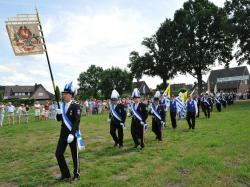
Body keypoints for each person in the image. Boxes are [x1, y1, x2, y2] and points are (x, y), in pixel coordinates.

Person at [55, 81, 82, 181]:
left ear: (71, 95)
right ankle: (65, 174)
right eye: (63, 93)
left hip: (72, 134)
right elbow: (59, 119)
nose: (63, 95)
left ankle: (76, 175)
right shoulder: (62, 105)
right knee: (58, 153)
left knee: (75, 155)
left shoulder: (76, 106)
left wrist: (72, 134)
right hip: (63, 134)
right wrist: (58, 114)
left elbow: (77, 121)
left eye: (66, 94)